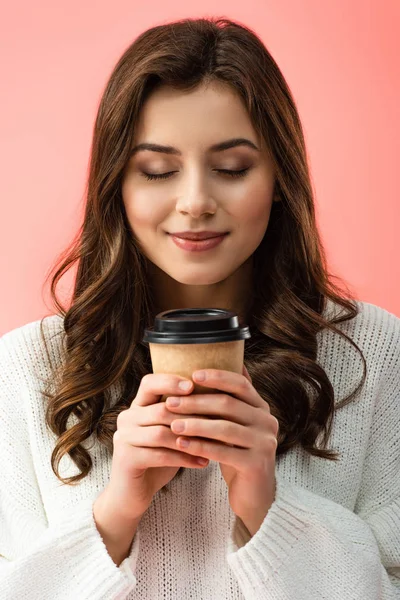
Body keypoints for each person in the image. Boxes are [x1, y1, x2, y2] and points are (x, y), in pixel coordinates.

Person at [0, 15, 399, 600]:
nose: (194, 203)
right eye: (157, 170)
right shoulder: (26, 367)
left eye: (232, 168)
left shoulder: (373, 352)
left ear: (279, 178)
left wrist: (270, 511)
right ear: (118, 185)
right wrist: (112, 518)